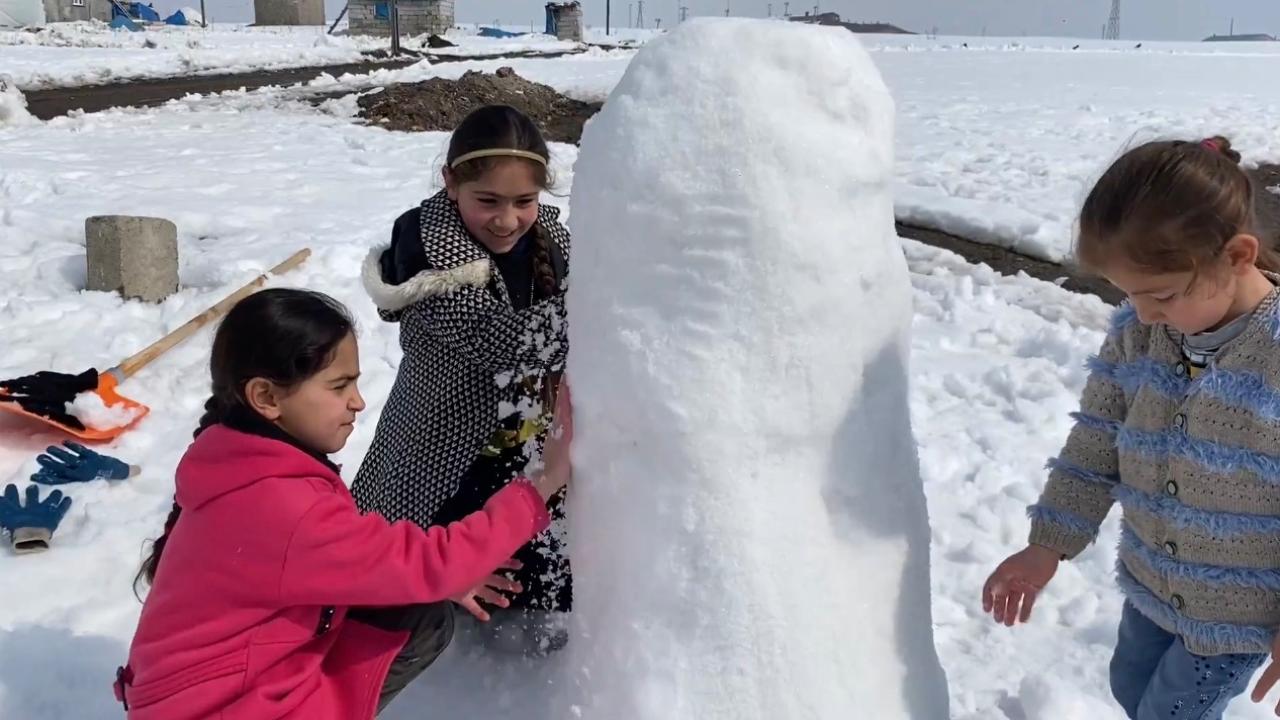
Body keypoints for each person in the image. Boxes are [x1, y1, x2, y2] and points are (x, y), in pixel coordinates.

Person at [114, 288, 572, 719]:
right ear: (266, 397)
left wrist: (432, 581)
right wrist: (542, 482)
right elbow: (431, 562)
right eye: (339, 387)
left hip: (194, 697)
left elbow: (368, 561)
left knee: (415, 610)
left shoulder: (236, 459)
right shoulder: (282, 505)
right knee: (418, 610)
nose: (358, 402)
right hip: (220, 708)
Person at [982, 136, 1280, 720]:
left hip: (1237, 611)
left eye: (1162, 295)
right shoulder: (1139, 333)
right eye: (1130, 295)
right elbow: (1094, 443)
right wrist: (1048, 545)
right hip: (1151, 580)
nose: (1144, 314)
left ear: (1239, 256)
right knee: (1129, 686)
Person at [355, 105, 572, 655]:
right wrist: (601, 316)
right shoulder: (426, 249)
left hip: (522, 432)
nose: (507, 219)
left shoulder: (548, 234)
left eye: (524, 201)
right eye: (489, 202)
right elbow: (498, 340)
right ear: (451, 182)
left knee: (535, 536)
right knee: (426, 548)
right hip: (444, 437)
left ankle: (524, 622)